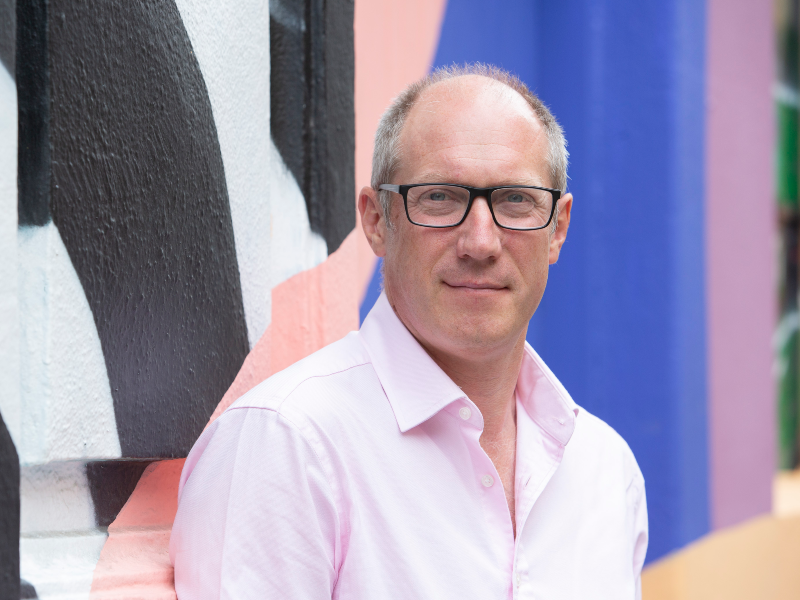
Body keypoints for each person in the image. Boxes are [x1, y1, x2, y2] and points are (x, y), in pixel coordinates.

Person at [170, 63, 648, 599]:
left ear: (557, 228)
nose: (481, 243)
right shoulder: (289, 445)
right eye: (440, 198)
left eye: (516, 200)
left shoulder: (604, 470)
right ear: (377, 221)